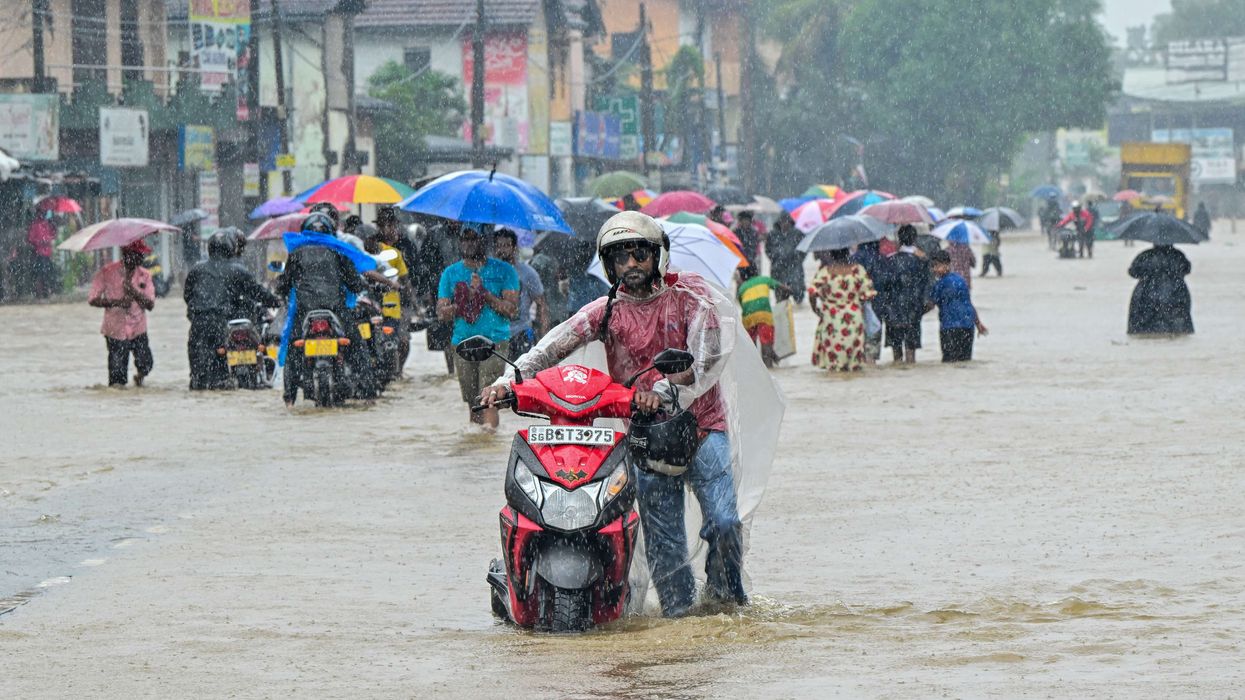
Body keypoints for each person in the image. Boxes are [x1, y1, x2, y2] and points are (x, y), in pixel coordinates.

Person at [483, 210, 747, 617]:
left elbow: (708, 356)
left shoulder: (693, 297)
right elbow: (552, 346)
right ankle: (680, 625)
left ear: (657, 256)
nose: (631, 265)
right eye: (620, 258)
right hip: (646, 437)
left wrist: (664, 389)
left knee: (726, 522)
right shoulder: (606, 311)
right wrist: (507, 380)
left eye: (639, 254)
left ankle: (725, 600)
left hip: (702, 427)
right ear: (609, 266)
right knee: (665, 544)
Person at [275, 212, 376, 406]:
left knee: (293, 352)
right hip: (336, 310)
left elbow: (284, 285)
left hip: (305, 311)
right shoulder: (338, 252)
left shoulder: (296, 253)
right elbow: (355, 284)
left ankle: (289, 399)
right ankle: (368, 395)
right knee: (357, 348)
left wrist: (281, 292)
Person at [436, 226, 519, 430]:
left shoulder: (504, 271)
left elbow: (511, 310)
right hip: (463, 342)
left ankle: (489, 443)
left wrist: (485, 293)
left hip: (494, 343)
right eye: (465, 239)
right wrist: (464, 301)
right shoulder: (451, 273)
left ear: (484, 241)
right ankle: (476, 448)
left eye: (474, 239)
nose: (469, 244)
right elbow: (442, 313)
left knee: (488, 398)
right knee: (474, 402)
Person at [183, 231, 280, 390]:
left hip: (199, 325)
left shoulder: (196, 269)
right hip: (223, 325)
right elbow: (258, 292)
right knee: (221, 378)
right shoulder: (238, 270)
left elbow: (187, 296)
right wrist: (275, 301)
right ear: (230, 249)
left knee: (197, 377)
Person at [88, 241, 156, 387]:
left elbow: (150, 304)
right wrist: (116, 302)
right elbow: (93, 299)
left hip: (138, 328)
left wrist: (134, 292)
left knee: (146, 364)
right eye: (138, 254)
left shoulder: (144, 275)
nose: (142, 258)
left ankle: (139, 378)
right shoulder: (107, 272)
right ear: (126, 255)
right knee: (117, 377)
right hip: (115, 329)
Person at [807, 248, 876, 372]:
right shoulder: (857, 270)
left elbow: (812, 292)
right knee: (854, 360)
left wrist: (815, 309)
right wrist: (855, 302)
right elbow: (869, 293)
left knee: (833, 360)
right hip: (853, 317)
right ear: (848, 254)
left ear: (832, 255)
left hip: (831, 318)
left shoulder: (825, 272)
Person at [493, 228, 549, 359]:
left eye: (506, 245)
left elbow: (542, 304)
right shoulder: (488, 273)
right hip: (494, 334)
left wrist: (544, 339)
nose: (502, 250)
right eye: (499, 246)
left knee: (522, 376)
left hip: (520, 333)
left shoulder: (528, 273)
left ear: (514, 248)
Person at [879, 225, 931, 364]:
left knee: (896, 353)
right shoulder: (921, 261)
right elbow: (927, 284)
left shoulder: (889, 261)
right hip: (913, 310)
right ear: (914, 239)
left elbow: (884, 287)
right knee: (911, 350)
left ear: (899, 240)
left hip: (893, 311)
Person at [927, 249, 988, 362]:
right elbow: (968, 305)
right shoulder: (960, 280)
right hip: (967, 327)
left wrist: (916, 315)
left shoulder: (939, 284)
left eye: (938, 265)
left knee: (949, 362)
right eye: (933, 266)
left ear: (948, 265)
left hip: (949, 328)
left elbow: (930, 305)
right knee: (965, 361)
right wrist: (978, 324)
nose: (935, 269)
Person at [1127, 244, 1193, 335]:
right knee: (1178, 329)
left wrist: (1149, 274)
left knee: (1143, 330)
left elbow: (1133, 272)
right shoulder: (1178, 255)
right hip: (1175, 293)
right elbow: (1187, 269)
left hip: (1146, 294)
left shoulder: (1145, 255)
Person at [736, 266, 788, 367]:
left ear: (743, 276)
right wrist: (787, 294)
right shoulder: (764, 279)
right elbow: (782, 287)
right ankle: (768, 367)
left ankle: (754, 367)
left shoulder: (742, 287)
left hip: (748, 316)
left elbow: (742, 304)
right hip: (764, 314)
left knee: (751, 345)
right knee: (766, 343)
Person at [850, 238, 889, 362]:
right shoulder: (882, 259)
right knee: (872, 342)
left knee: (858, 343)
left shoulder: (853, 260)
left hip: (857, 307)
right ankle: (871, 363)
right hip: (878, 304)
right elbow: (887, 283)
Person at [529, 236, 571, 326]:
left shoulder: (540, 259)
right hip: (551, 298)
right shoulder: (550, 259)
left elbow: (532, 279)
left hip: (546, 297)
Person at [765, 212, 806, 304]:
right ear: (779, 222)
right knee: (780, 298)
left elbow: (804, 249)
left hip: (795, 268)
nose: (785, 224)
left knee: (798, 294)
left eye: (787, 221)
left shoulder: (797, 234)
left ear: (791, 222)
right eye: (782, 221)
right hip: (778, 268)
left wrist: (797, 259)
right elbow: (767, 250)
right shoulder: (772, 234)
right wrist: (776, 258)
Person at [26, 212, 57, 298]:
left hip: (47, 253)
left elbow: (52, 236)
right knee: (41, 274)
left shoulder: (47, 224)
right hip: (39, 253)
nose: (43, 215)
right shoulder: (35, 225)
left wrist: (49, 240)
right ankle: (40, 293)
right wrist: (40, 242)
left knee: (46, 273)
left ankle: (45, 292)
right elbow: (31, 239)